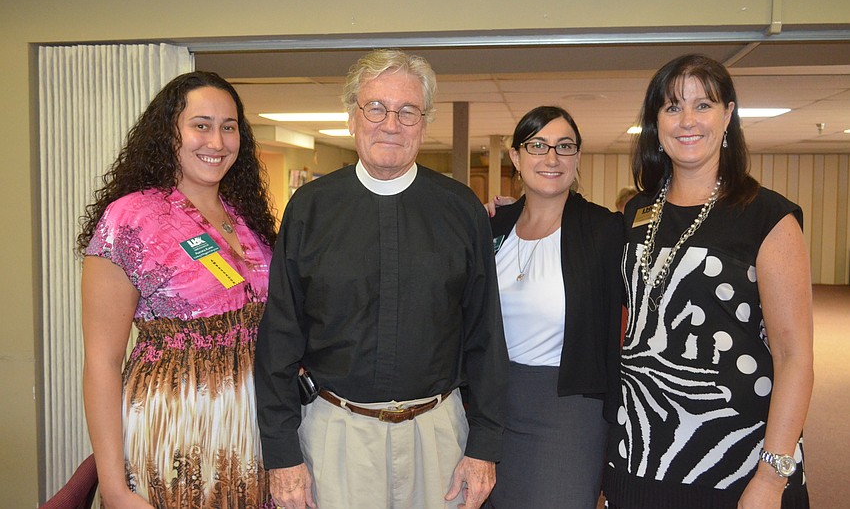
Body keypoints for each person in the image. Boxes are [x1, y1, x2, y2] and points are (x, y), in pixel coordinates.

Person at [255, 48, 508, 509]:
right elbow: (279, 338)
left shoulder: (460, 209)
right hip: (334, 436)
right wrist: (281, 453)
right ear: (353, 116)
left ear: (425, 122)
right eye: (376, 107)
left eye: (407, 111)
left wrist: (485, 446)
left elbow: (485, 336)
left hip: (438, 440)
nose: (391, 123)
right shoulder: (310, 208)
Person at [601, 54, 813, 509]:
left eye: (704, 105)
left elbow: (795, 356)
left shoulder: (768, 217)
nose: (687, 121)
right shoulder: (637, 212)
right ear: (655, 122)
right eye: (673, 107)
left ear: (728, 115)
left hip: (736, 457)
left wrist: (772, 479)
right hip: (642, 449)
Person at [77, 71, 278, 509]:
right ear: (168, 132)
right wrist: (113, 488)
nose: (218, 142)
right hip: (175, 435)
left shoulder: (246, 216)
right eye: (200, 125)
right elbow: (102, 361)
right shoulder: (129, 219)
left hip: (255, 438)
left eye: (229, 127)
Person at [486, 106, 624, 508]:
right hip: (490, 403)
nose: (551, 158)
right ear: (516, 156)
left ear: (578, 157)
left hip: (567, 408)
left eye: (564, 146)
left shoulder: (605, 231)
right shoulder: (492, 226)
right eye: (538, 146)